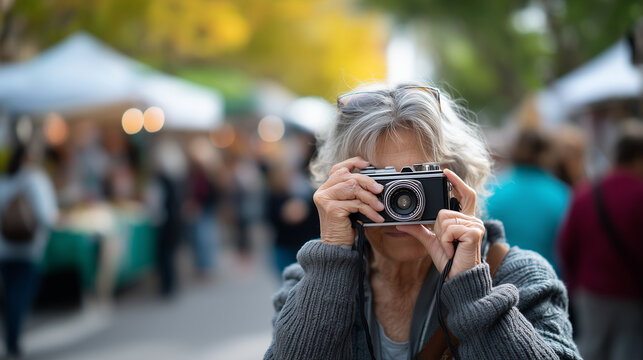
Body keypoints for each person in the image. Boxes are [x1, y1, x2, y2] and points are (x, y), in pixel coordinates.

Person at [264, 83, 580, 359]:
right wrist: (331, 263)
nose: (402, 205)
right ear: (343, 189)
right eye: (379, 183)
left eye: (420, 181)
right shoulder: (309, 282)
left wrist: (473, 289)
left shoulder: (518, 278)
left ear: (459, 184)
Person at [558, 120, 643, 360]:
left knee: (590, 349)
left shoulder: (586, 193)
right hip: (632, 294)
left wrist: (575, 284)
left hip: (591, 293)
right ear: (638, 157)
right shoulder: (640, 194)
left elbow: (566, 245)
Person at [0, 141, 58, 357]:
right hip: (28, 248)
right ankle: (14, 339)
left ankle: (11, 337)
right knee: (20, 294)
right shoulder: (35, 180)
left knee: (10, 292)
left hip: (4, 249)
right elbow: (46, 215)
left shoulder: (5, 182)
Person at [486, 128, 570, 272]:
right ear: (548, 154)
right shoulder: (561, 194)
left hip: (501, 279)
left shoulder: (493, 190)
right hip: (547, 278)